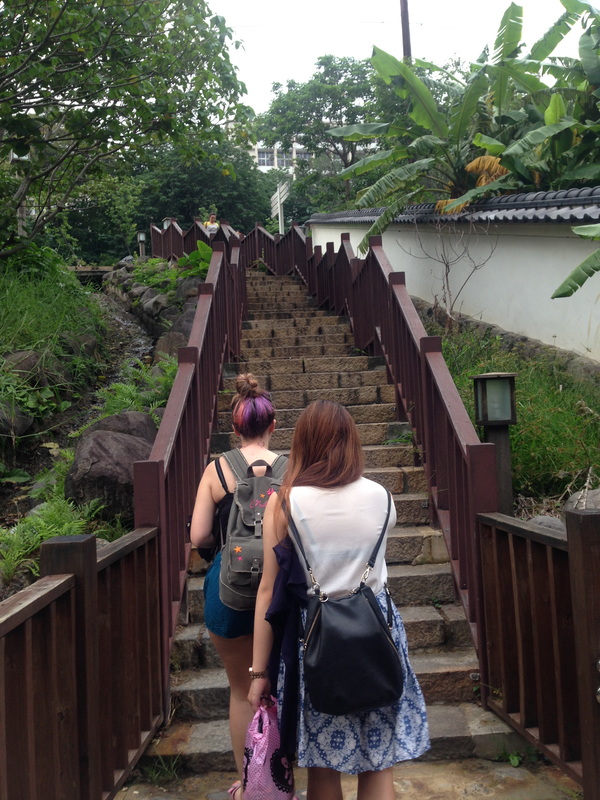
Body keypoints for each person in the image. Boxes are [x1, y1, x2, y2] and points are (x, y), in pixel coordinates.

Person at [248, 400, 430, 800]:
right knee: (379, 762)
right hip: (376, 630)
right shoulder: (381, 497)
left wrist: (259, 673)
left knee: (322, 767)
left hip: (317, 637)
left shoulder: (285, 501)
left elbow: (267, 590)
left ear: (303, 444)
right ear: (352, 441)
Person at [190, 373, 286, 800]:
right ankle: (282, 780)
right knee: (279, 685)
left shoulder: (217, 468)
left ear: (234, 428)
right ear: (273, 425)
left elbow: (198, 537)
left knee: (239, 689)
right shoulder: (290, 469)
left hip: (228, 589)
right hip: (280, 590)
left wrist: (225, 544)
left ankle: (249, 783)